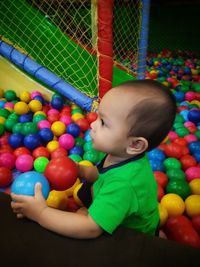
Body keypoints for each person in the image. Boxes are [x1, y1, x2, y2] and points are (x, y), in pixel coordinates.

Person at [11, 79, 176, 239]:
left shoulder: (123, 185)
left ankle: (154, 236)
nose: (92, 125)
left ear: (135, 144)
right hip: (116, 210)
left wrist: (41, 213)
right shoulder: (121, 151)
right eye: (97, 117)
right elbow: (102, 174)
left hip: (128, 236)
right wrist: (81, 170)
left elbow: (90, 229)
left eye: (103, 122)